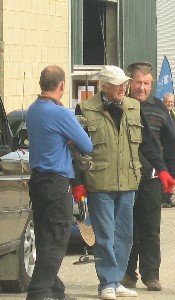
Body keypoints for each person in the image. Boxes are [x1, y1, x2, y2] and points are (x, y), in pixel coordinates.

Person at [77, 65, 175, 299]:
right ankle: (107, 283)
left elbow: (150, 144)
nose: (125, 88)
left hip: (128, 183)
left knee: (125, 235)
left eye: (125, 83)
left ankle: (118, 277)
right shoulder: (85, 109)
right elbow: (76, 151)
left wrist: (163, 171)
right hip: (99, 183)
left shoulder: (133, 108)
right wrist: (78, 182)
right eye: (119, 84)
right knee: (105, 236)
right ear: (105, 86)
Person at [26, 65, 93, 300]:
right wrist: (70, 140)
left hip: (37, 182)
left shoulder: (33, 110)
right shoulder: (61, 113)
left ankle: (56, 292)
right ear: (62, 85)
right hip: (57, 182)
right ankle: (38, 293)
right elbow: (87, 145)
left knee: (45, 237)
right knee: (56, 238)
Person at [123, 62, 175, 292]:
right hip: (124, 178)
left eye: (147, 84)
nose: (142, 88)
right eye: (138, 82)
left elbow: (171, 146)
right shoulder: (121, 106)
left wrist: (172, 179)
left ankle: (151, 275)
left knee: (150, 229)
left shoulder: (159, 108)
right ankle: (127, 274)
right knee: (127, 229)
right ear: (130, 83)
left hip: (152, 180)